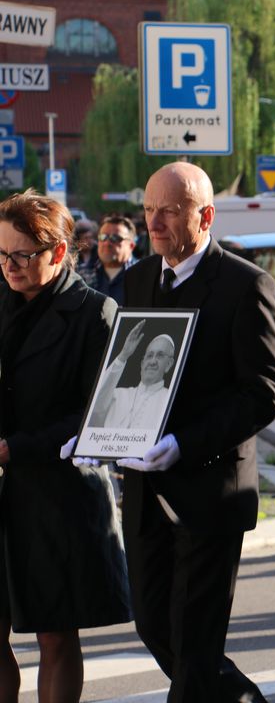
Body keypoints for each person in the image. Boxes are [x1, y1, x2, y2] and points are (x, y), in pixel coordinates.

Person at [116, 162, 275, 703]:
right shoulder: (138, 278)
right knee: (155, 627)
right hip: (145, 491)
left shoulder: (246, 284)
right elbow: (124, 373)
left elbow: (267, 390)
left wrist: (183, 444)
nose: (153, 222)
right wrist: (100, 432)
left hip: (210, 492)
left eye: (168, 211)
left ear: (205, 216)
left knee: (194, 645)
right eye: (148, 209)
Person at [0, 191, 130, 702]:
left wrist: (15, 448)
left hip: (59, 493)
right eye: (2, 254)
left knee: (55, 634)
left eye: (22, 255)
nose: (9, 266)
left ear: (58, 251)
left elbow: (99, 415)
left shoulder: (95, 312)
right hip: (5, 490)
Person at [87, 324, 176, 430]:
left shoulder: (170, 399)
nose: (152, 362)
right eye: (149, 355)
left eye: (160, 355)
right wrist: (123, 355)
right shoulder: (118, 395)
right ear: (142, 363)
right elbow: (94, 405)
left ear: (169, 364)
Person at [88, 214, 138, 304]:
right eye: (103, 237)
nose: (107, 243)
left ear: (131, 246)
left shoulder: (144, 275)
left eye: (115, 238)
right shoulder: (83, 274)